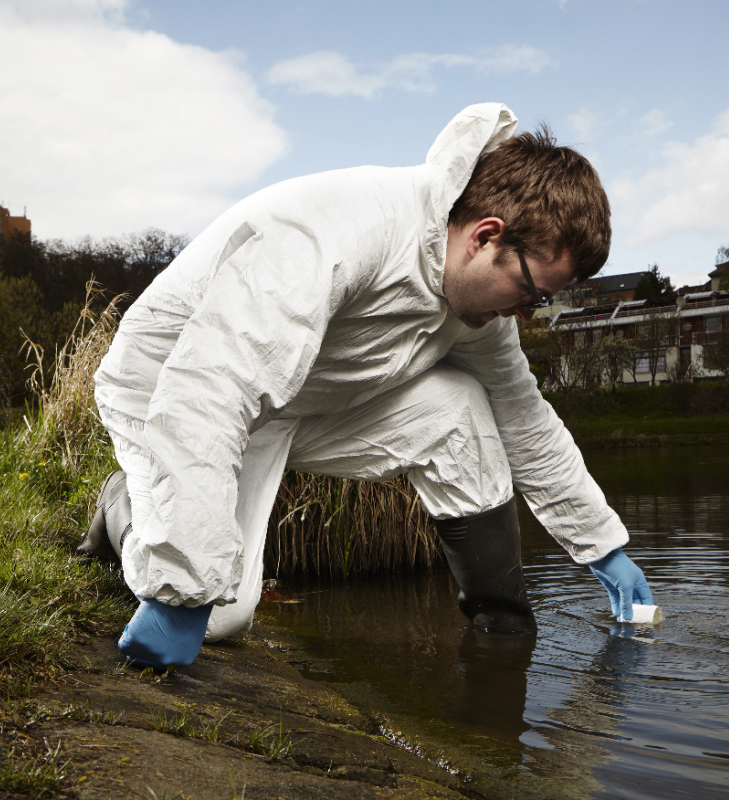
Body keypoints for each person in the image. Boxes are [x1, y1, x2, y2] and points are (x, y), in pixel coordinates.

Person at [80, 103, 652, 670]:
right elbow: (212, 388)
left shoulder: (477, 307)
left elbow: (524, 419)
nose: (528, 314)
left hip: (297, 401)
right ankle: (122, 506)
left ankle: (501, 630)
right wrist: (181, 589)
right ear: (486, 236)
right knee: (221, 615)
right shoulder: (336, 230)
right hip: (170, 386)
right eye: (533, 294)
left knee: (462, 406)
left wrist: (604, 548)